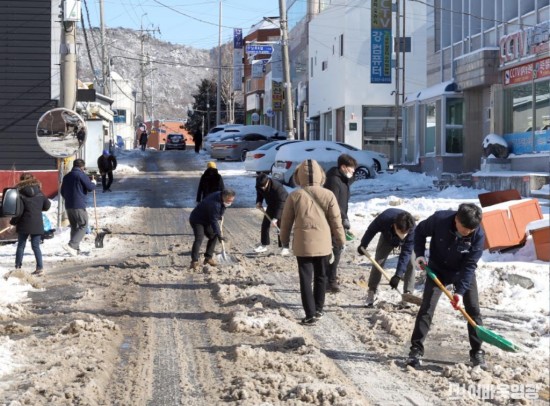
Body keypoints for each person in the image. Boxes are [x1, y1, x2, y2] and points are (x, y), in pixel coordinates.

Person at [407, 203, 486, 368]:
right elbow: (419, 231)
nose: (468, 233)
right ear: (457, 219)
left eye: (471, 230)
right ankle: (416, 349)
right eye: (465, 229)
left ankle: (477, 352)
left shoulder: (478, 235)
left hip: (462, 272)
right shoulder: (439, 220)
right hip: (437, 270)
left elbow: (470, 266)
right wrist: (420, 254)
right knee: (427, 307)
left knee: (473, 310)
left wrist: (460, 292)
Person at [279, 159, 346, 325]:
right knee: (321, 277)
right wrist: (340, 240)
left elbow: (286, 221)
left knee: (305, 279)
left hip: (302, 245)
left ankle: (309, 314)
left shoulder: (294, 195)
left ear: (299, 176)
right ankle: (319, 309)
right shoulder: (328, 194)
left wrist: (284, 241)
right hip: (323, 244)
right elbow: (336, 220)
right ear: (321, 175)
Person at [356, 208, 416, 307]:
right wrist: (363, 244)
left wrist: (398, 275)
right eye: (400, 232)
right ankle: (372, 291)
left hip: (407, 244)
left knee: (411, 262)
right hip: (387, 237)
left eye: (404, 233)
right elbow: (371, 230)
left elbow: (406, 253)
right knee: (378, 261)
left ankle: (408, 295)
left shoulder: (412, 228)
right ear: (395, 225)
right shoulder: (384, 218)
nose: (403, 235)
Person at [324, 153, 357, 293]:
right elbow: (334, 203)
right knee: (334, 250)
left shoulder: (343, 180)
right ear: (343, 167)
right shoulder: (333, 181)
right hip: (332, 220)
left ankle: (328, 279)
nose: (353, 171)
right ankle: (329, 281)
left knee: (336, 250)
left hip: (340, 219)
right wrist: (343, 218)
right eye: (351, 168)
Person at [12, 174, 51, 276]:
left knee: (21, 245)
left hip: (24, 222)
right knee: (36, 246)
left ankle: (17, 267)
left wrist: (13, 221)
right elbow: (47, 206)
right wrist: (37, 209)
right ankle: (40, 268)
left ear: (21, 181)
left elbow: (19, 211)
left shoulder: (20, 193)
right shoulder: (40, 192)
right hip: (37, 222)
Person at [189, 189, 236, 270]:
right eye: (229, 201)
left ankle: (208, 258)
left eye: (232, 200)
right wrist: (219, 234)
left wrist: (220, 214)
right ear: (224, 197)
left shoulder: (220, 196)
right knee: (199, 238)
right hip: (197, 220)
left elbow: (221, 209)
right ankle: (194, 261)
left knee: (213, 236)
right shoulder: (215, 204)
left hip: (207, 219)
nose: (230, 202)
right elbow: (213, 221)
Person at [60, 159, 97, 256]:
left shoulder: (67, 176)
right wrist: (93, 183)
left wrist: (69, 198)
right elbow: (90, 187)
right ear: (82, 167)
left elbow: (62, 192)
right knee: (83, 225)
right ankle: (72, 245)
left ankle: (75, 249)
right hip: (79, 205)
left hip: (68, 205)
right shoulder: (81, 175)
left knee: (74, 226)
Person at [254, 173, 288, 253]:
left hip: (283, 204)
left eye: (264, 186)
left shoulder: (277, 187)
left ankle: (285, 247)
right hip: (271, 204)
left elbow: (281, 202)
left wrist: (276, 218)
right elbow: (260, 193)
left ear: (268, 181)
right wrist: (259, 202)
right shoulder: (259, 184)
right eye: (260, 187)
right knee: (265, 224)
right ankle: (264, 245)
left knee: (280, 225)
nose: (262, 188)